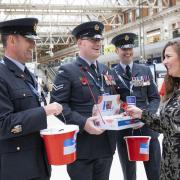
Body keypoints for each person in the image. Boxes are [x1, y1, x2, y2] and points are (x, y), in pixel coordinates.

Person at [50, 21, 117, 180]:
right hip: (82, 148)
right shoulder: (67, 71)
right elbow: (58, 107)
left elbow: (112, 99)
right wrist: (83, 123)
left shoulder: (106, 70)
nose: (98, 44)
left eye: (99, 40)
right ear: (80, 43)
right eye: (93, 40)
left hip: (106, 146)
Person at [0, 18, 63, 180]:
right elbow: (3, 125)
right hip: (17, 169)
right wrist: (44, 111)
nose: (33, 45)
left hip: (38, 163)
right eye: (28, 40)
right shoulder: (2, 76)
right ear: (12, 40)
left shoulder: (28, 75)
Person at [126, 41, 180, 180]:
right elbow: (166, 125)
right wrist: (141, 114)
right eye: (164, 57)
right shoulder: (175, 89)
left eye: (168, 56)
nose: (164, 61)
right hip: (169, 165)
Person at [111, 33, 161, 180]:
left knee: (154, 170)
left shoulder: (144, 70)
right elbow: (112, 101)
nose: (127, 52)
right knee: (129, 173)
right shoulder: (111, 74)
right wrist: (121, 112)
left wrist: (146, 115)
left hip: (147, 127)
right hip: (125, 130)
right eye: (123, 49)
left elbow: (154, 97)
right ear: (116, 51)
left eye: (130, 49)